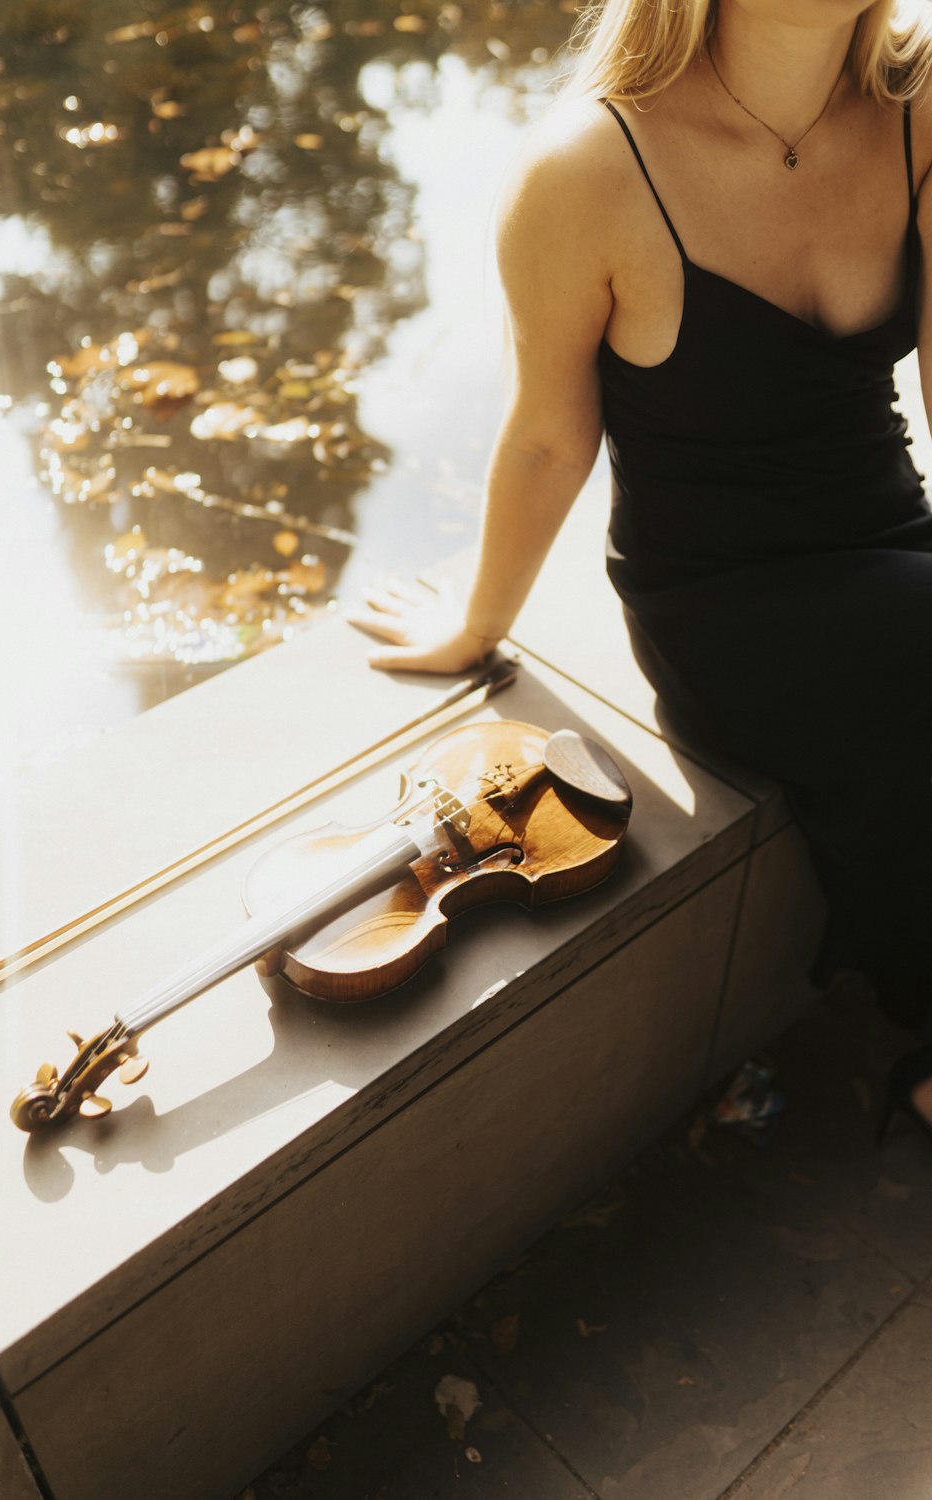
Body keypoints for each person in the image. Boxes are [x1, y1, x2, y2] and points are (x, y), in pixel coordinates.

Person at [348, 0, 932, 1143]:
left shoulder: (920, 107)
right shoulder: (587, 169)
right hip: (725, 605)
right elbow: (545, 439)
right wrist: (476, 626)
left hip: (892, 552)